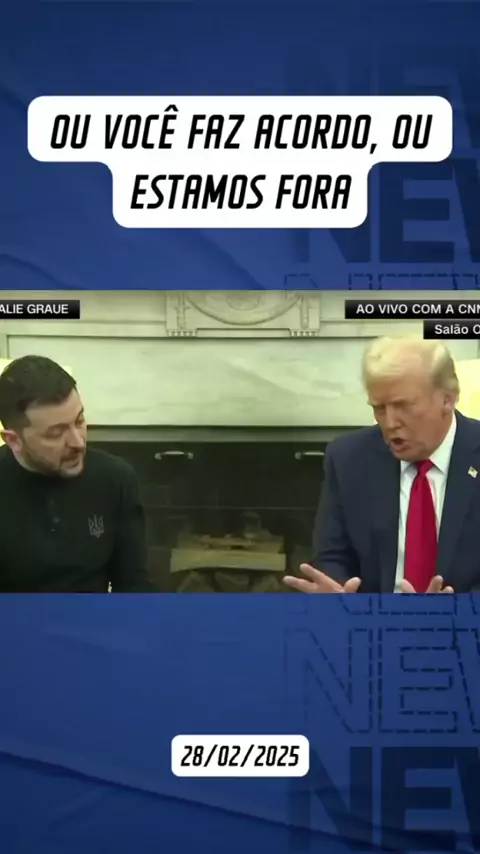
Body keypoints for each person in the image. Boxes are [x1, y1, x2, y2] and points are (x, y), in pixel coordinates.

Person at [284, 336, 480, 594]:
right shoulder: (349, 458)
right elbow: (333, 555)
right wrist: (339, 592)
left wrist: (457, 611)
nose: (390, 423)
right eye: (379, 408)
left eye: (403, 406)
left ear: (447, 399)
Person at [0, 355, 155, 592]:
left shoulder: (114, 478)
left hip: (94, 615)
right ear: (14, 440)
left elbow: (134, 584)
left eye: (79, 421)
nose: (78, 442)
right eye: (56, 433)